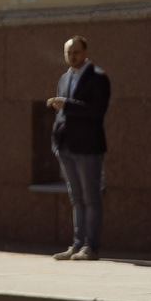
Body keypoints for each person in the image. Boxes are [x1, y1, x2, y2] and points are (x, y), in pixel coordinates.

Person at [48, 36, 111, 261]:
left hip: (88, 147)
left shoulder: (98, 77)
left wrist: (67, 104)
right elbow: (63, 113)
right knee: (76, 197)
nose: (71, 56)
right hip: (66, 146)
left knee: (91, 197)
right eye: (68, 53)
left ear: (85, 52)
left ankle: (90, 246)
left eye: (75, 52)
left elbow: (96, 110)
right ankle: (76, 244)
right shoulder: (64, 78)